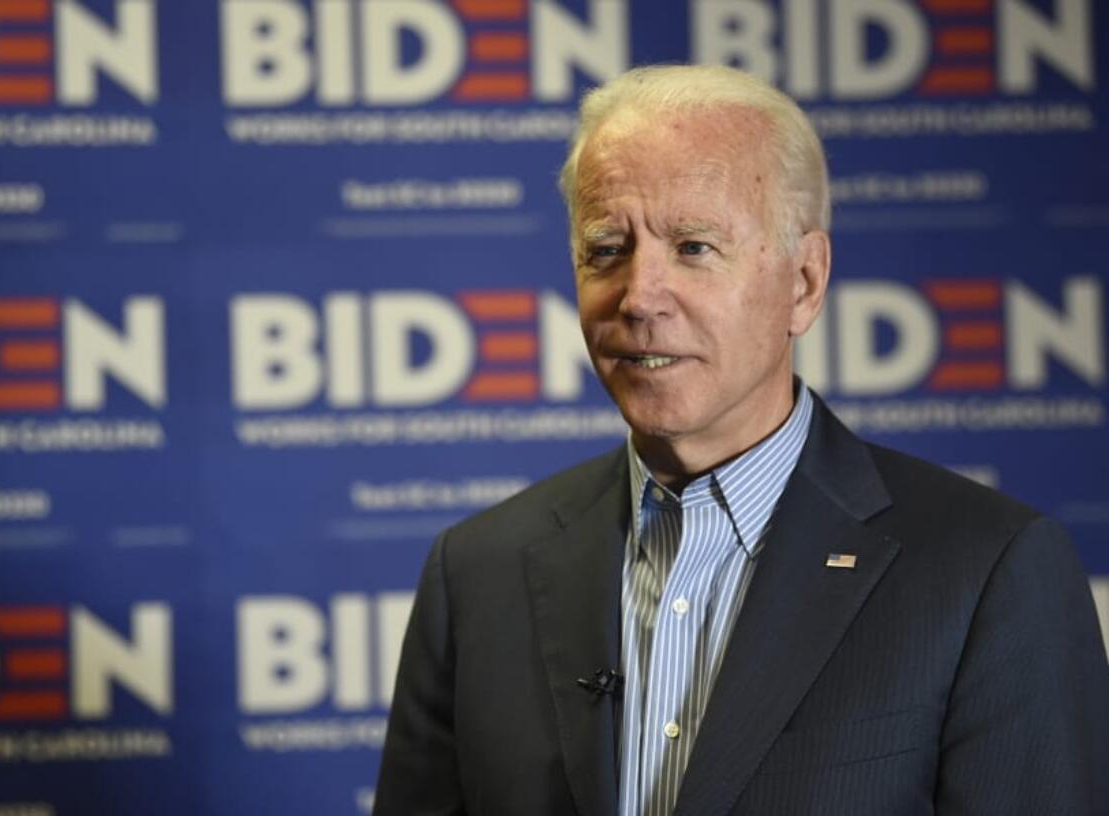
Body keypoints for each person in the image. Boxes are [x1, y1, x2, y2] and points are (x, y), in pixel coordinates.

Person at [373, 65, 1109, 816]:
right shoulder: (475, 572)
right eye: (605, 249)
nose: (639, 296)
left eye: (693, 246)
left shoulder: (988, 572)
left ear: (804, 282)